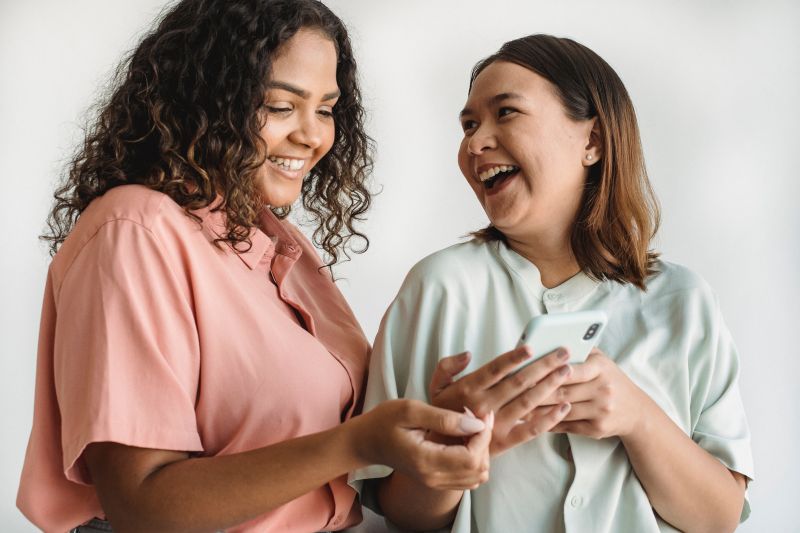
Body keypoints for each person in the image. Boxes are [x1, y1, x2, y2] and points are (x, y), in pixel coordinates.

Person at [16, 1, 495, 531]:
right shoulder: (136, 229)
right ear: (204, 101)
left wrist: (433, 426)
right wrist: (356, 443)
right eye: (280, 106)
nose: (312, 135)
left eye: (326, 109)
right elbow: (141, 503)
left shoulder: (279, 242)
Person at [356, 34, 753, 532]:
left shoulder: (685, 301)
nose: (475, 143)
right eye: (469, 124)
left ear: (592, 141)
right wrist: (448, 459)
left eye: (506, 113)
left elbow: (720, 518)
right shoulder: (438, 288)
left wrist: (638, 417)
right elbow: (399, 513)